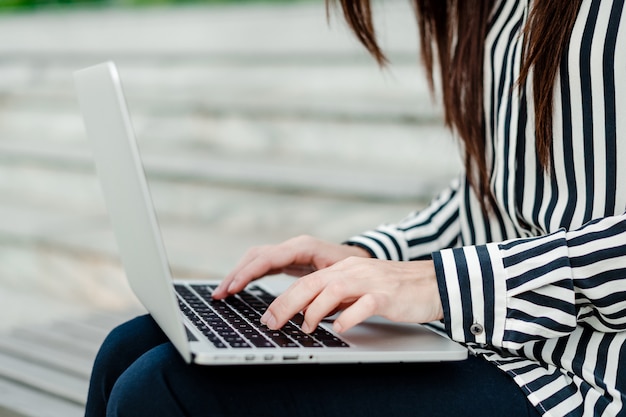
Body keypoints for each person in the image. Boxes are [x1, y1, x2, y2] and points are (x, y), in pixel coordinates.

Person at [84, 0, 626, 416]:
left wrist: (442, 283)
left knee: (163, 389)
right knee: (126, 348)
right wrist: (365, 255)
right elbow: (492, 194)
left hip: (581, 382)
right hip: (486, 336)